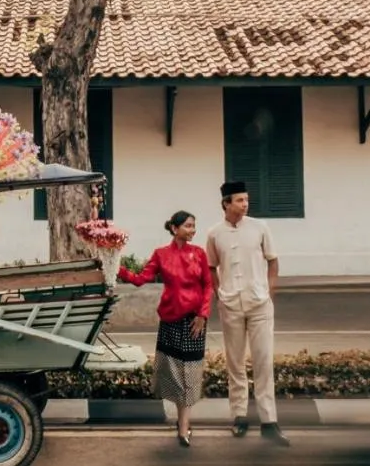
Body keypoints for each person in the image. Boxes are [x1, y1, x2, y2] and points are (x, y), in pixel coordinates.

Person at [117, 210, 212, 447]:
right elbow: (140, 279)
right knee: (174, 372)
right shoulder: (161, 254)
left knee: (190, 372)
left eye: (194, 226)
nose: (193, 230)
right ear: (174, 228)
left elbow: (208, 287)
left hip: (194, 322)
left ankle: (183, 427)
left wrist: (202, 314)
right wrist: (115, 267)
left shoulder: (199, 253)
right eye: (188, 226)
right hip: (170, 319)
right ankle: (181, 422)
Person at [205, 180, 290, 446]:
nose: (245, 204)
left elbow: (273, 261)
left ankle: (269, 421)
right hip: (231, 304)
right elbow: (210, 267)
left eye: (246, 200)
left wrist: (269, 293)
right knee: (235, 362)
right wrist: (219, 293)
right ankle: (239, 416)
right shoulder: (214, 233)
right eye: (240, 200)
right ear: (226, 204)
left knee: (263, 361)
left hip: (259, 303)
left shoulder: (260, 227)